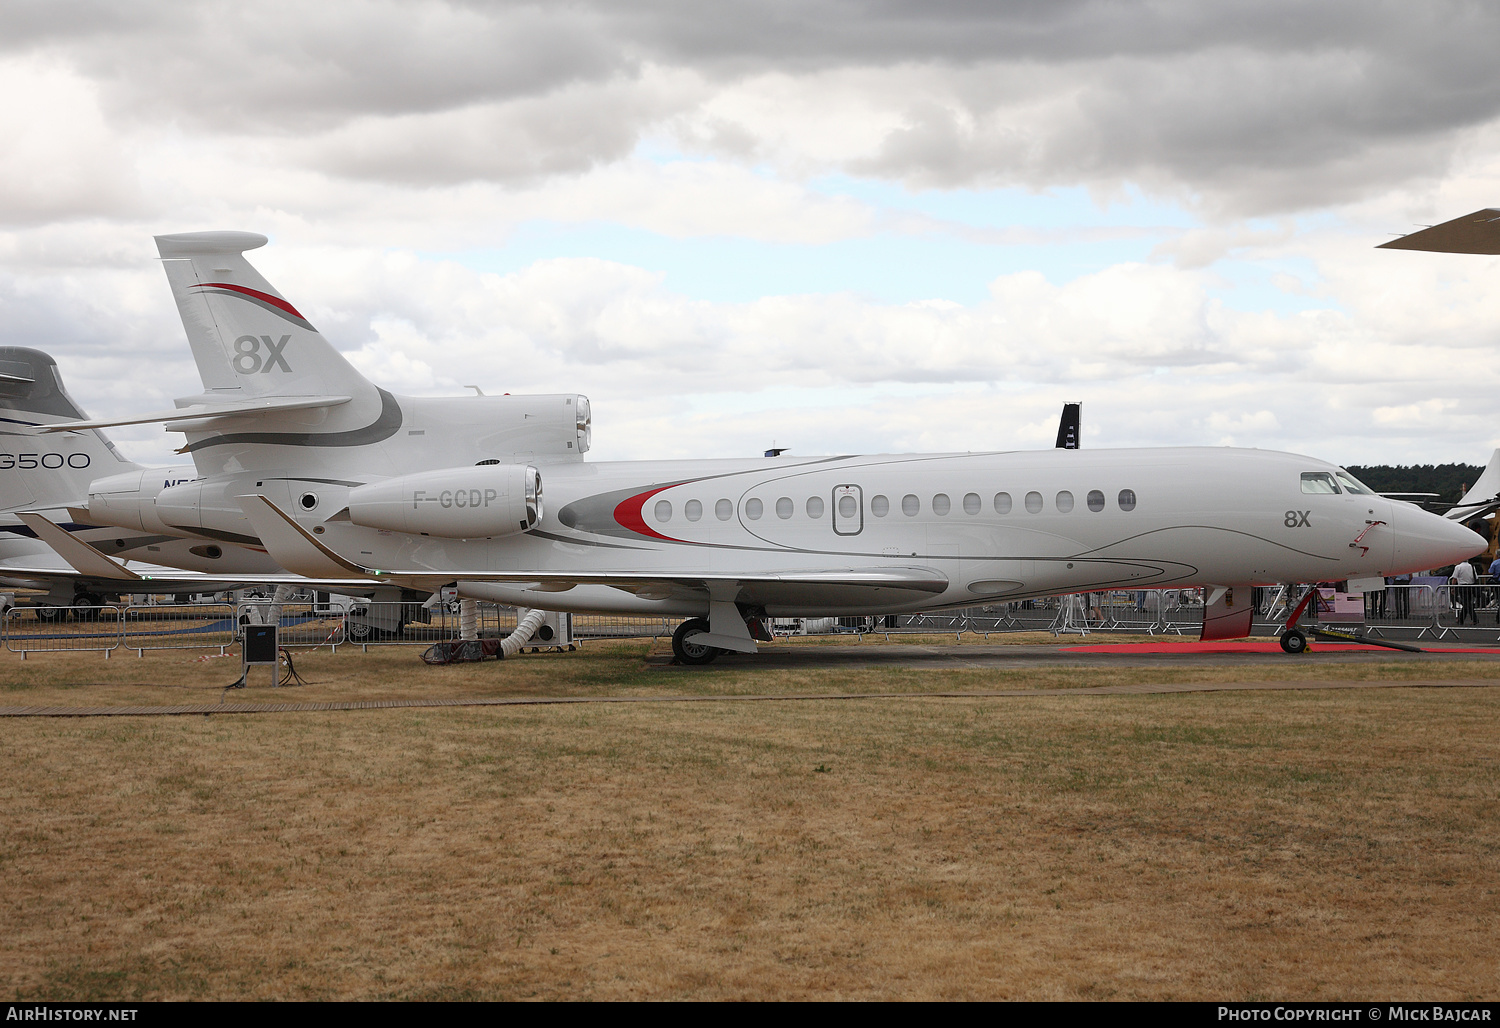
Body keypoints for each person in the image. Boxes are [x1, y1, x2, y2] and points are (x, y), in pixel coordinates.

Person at [1453, 559, 1478, 625]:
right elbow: (1475, 577)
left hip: (1462, 586)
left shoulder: (1458, 567)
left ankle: (1474, 618)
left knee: (1466, 604)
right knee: (1467, 603)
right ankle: (1461, 619)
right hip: (1470, 586)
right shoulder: (1472, 567)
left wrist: (1453, 587)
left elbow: (1454, 578)